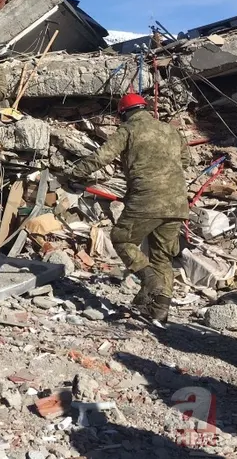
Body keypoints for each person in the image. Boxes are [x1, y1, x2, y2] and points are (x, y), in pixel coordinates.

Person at [66, 93, 190, 323]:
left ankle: (149, 278)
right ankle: (159, 311)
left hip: (146, 199)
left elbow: (102, 157)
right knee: (162, 256)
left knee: (122, 238)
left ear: (123, 114)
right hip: (178, 203)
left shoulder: (128, 130)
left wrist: (74, 172)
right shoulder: (171, 131)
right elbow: (187, 160)